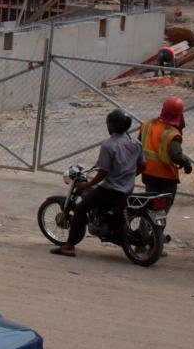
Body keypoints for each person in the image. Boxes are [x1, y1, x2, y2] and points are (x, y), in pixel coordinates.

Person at [53, 109, 144, 257]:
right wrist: (128, 176)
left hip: (111, 190)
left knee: (81, 208)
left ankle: (69, 246)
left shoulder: (109, 145)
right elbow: (142, 166)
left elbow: (102, 173)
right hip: (127, 189)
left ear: (113, 126)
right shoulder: (136, 143)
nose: (107, 126)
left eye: (108, 123)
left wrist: (86, 185)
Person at [141, 95, 194, 202]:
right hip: (165, 178)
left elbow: (139, 144)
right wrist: (187, 164)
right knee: (161, 211)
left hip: (148, 173)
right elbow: (176, 155)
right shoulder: (172, 133)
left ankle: (145, 219)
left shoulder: (147, 124)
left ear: (163, 110)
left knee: (149, 206)